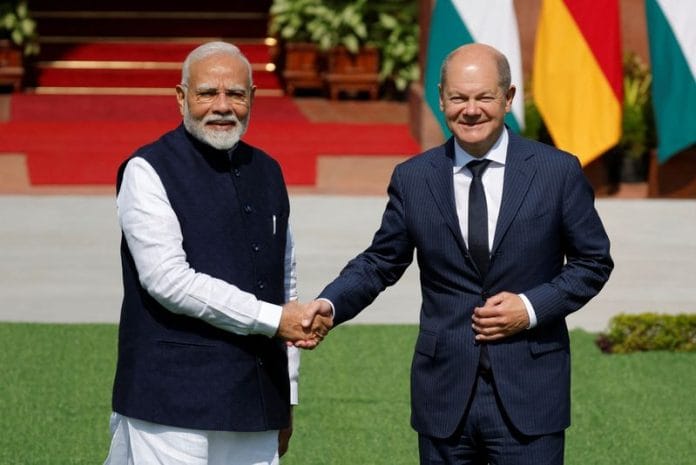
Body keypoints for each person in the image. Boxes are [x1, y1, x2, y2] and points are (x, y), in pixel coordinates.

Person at [305, 43, 613, 464]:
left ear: (508, 98)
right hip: (444, 395)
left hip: (531, 391)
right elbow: (380, 261)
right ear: (441, 99)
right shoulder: (413, 178)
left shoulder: (557, 172)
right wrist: (330, 304)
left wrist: (530, 308)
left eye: (484, 97)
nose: (470, 110)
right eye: (458, 98)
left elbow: (593, 262)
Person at [104, 41, 329, 465]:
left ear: (252, 98)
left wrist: (288, 394)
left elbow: (285, 282)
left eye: (235, 94)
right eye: (207, 93)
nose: (222, 106)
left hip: (256, 396)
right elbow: (168, 281)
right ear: (181, 97)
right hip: (170, 401)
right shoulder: (147, 170)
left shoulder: (268, 171)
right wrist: (273, 319)